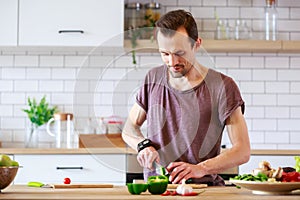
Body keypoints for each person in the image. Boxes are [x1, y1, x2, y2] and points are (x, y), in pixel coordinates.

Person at [122, 9, 250, 186]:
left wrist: (201, 168)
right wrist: (142, 145)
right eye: (165, 54)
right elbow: (129, 128)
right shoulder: (153, 78)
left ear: (196, 44)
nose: (172, 62)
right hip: (157, 190)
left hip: (204, 190)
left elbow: (242, 150)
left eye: (179, 53)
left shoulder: (222, 86)